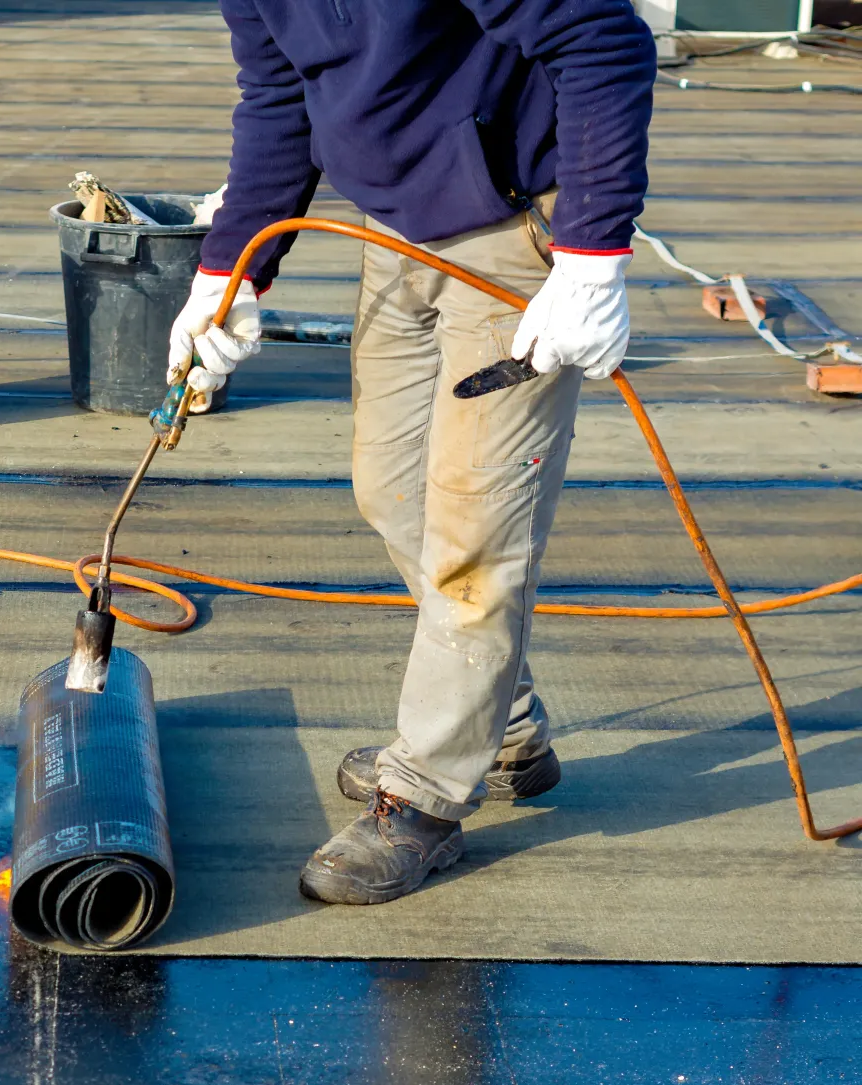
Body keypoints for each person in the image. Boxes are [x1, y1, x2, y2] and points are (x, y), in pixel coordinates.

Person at [169, 0, 658, 905]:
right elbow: (279, 97)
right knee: (393, 490)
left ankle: (427, 795)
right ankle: (503, 727)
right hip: (398, 230)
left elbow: (602, 36)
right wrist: (224, 273)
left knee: (478, 531)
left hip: (520, 235)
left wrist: (593, 256)